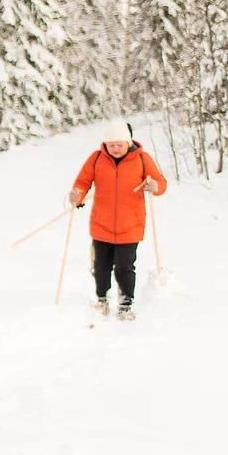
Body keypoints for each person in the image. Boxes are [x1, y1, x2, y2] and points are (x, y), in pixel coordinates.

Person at [68, 119, 167, 320]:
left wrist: (154, 186)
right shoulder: (96, 159)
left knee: (124, 267)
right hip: (101, 224)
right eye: (111, 145)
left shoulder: (142, 159)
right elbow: (83, 182)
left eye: (119, 145)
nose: (115, 149)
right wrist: (77, 193)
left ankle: (125, 304)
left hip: (130, 225)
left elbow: (161, 183)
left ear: (128, 141)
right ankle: (101, 299)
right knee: (101, 266)